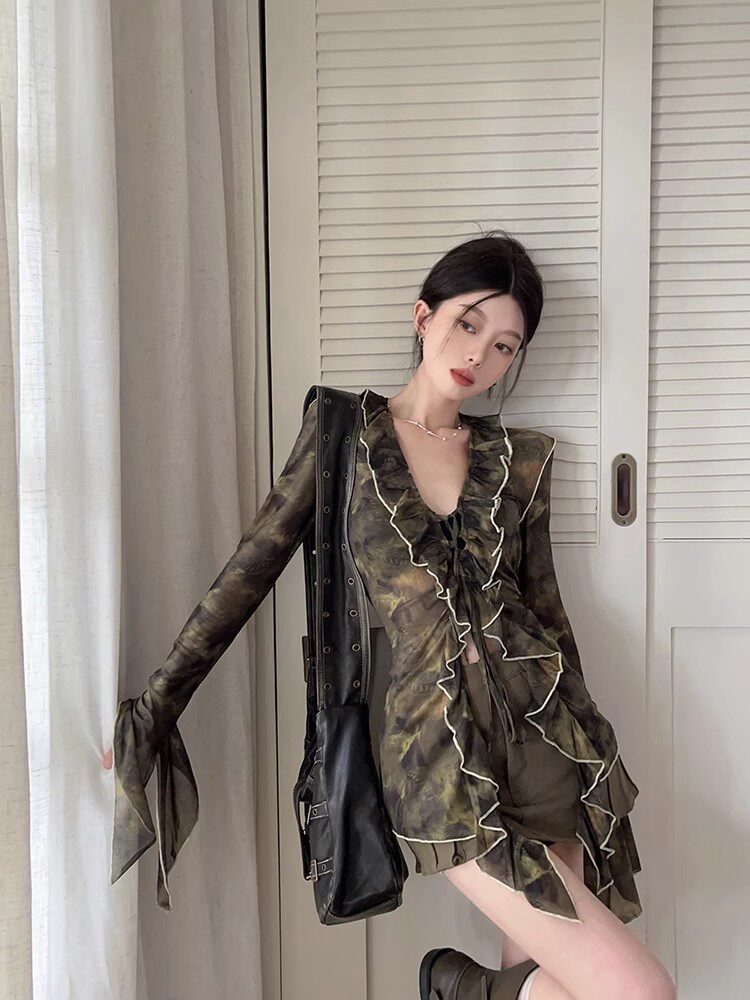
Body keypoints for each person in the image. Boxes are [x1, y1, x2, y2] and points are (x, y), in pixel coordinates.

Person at [104, 232, 676, 1000]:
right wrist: (155, 707)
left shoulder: (517, 461)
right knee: (640, 991)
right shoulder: (346, 439)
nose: (479, 354)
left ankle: (473, 988)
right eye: (468, 323)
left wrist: (589, 745)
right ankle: (458, 984)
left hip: (543, 740)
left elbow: (547, 613)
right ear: (423, 315)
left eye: (504, 346)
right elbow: (247, 573)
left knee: (554, 983)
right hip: (435, 755)